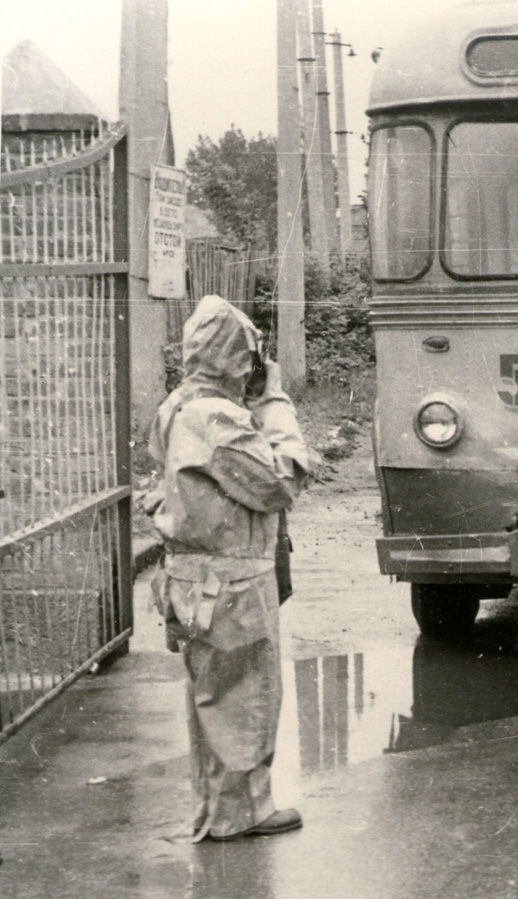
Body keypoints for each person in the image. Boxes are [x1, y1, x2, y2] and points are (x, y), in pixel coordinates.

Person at [145, 295, 309, 841]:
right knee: (246, 698)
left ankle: (221, 811)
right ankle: (243, 813)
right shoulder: (214, 416)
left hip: (196, 579)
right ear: (236, 358)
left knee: (214, 702)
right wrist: (277, 401)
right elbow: (280, 481)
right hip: (231, 580)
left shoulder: (177, 406)